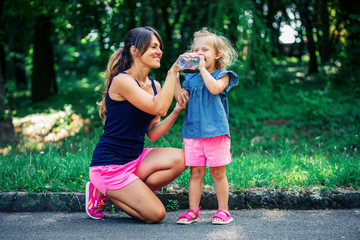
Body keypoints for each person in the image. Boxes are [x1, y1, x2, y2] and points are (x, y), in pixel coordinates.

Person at [85, 26, 190, 223]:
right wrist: (173, 71)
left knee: (184, 158)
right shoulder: (122, 81)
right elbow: (158, 108)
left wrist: (176, 111)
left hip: (135, 159)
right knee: (156, 215)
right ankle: (103, 190)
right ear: (134, 51)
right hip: (109, 166)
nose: (159, 51)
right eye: (153, 47)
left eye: (160, 47)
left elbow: (152, 133)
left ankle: (132, 191)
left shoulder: (155, 85)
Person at [175, 27, 239, 225]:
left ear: (218, 54)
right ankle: (193, 211)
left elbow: (214, 89)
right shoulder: (190, 78)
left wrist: (202, 68)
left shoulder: (223, 75)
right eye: (195, 50)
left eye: (205, 50)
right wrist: (176, 75)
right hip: (193, 133)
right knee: (195, 173)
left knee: (218, 173)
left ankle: (223, 211)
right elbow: (179, 97)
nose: (199, 53)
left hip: (216, 132)